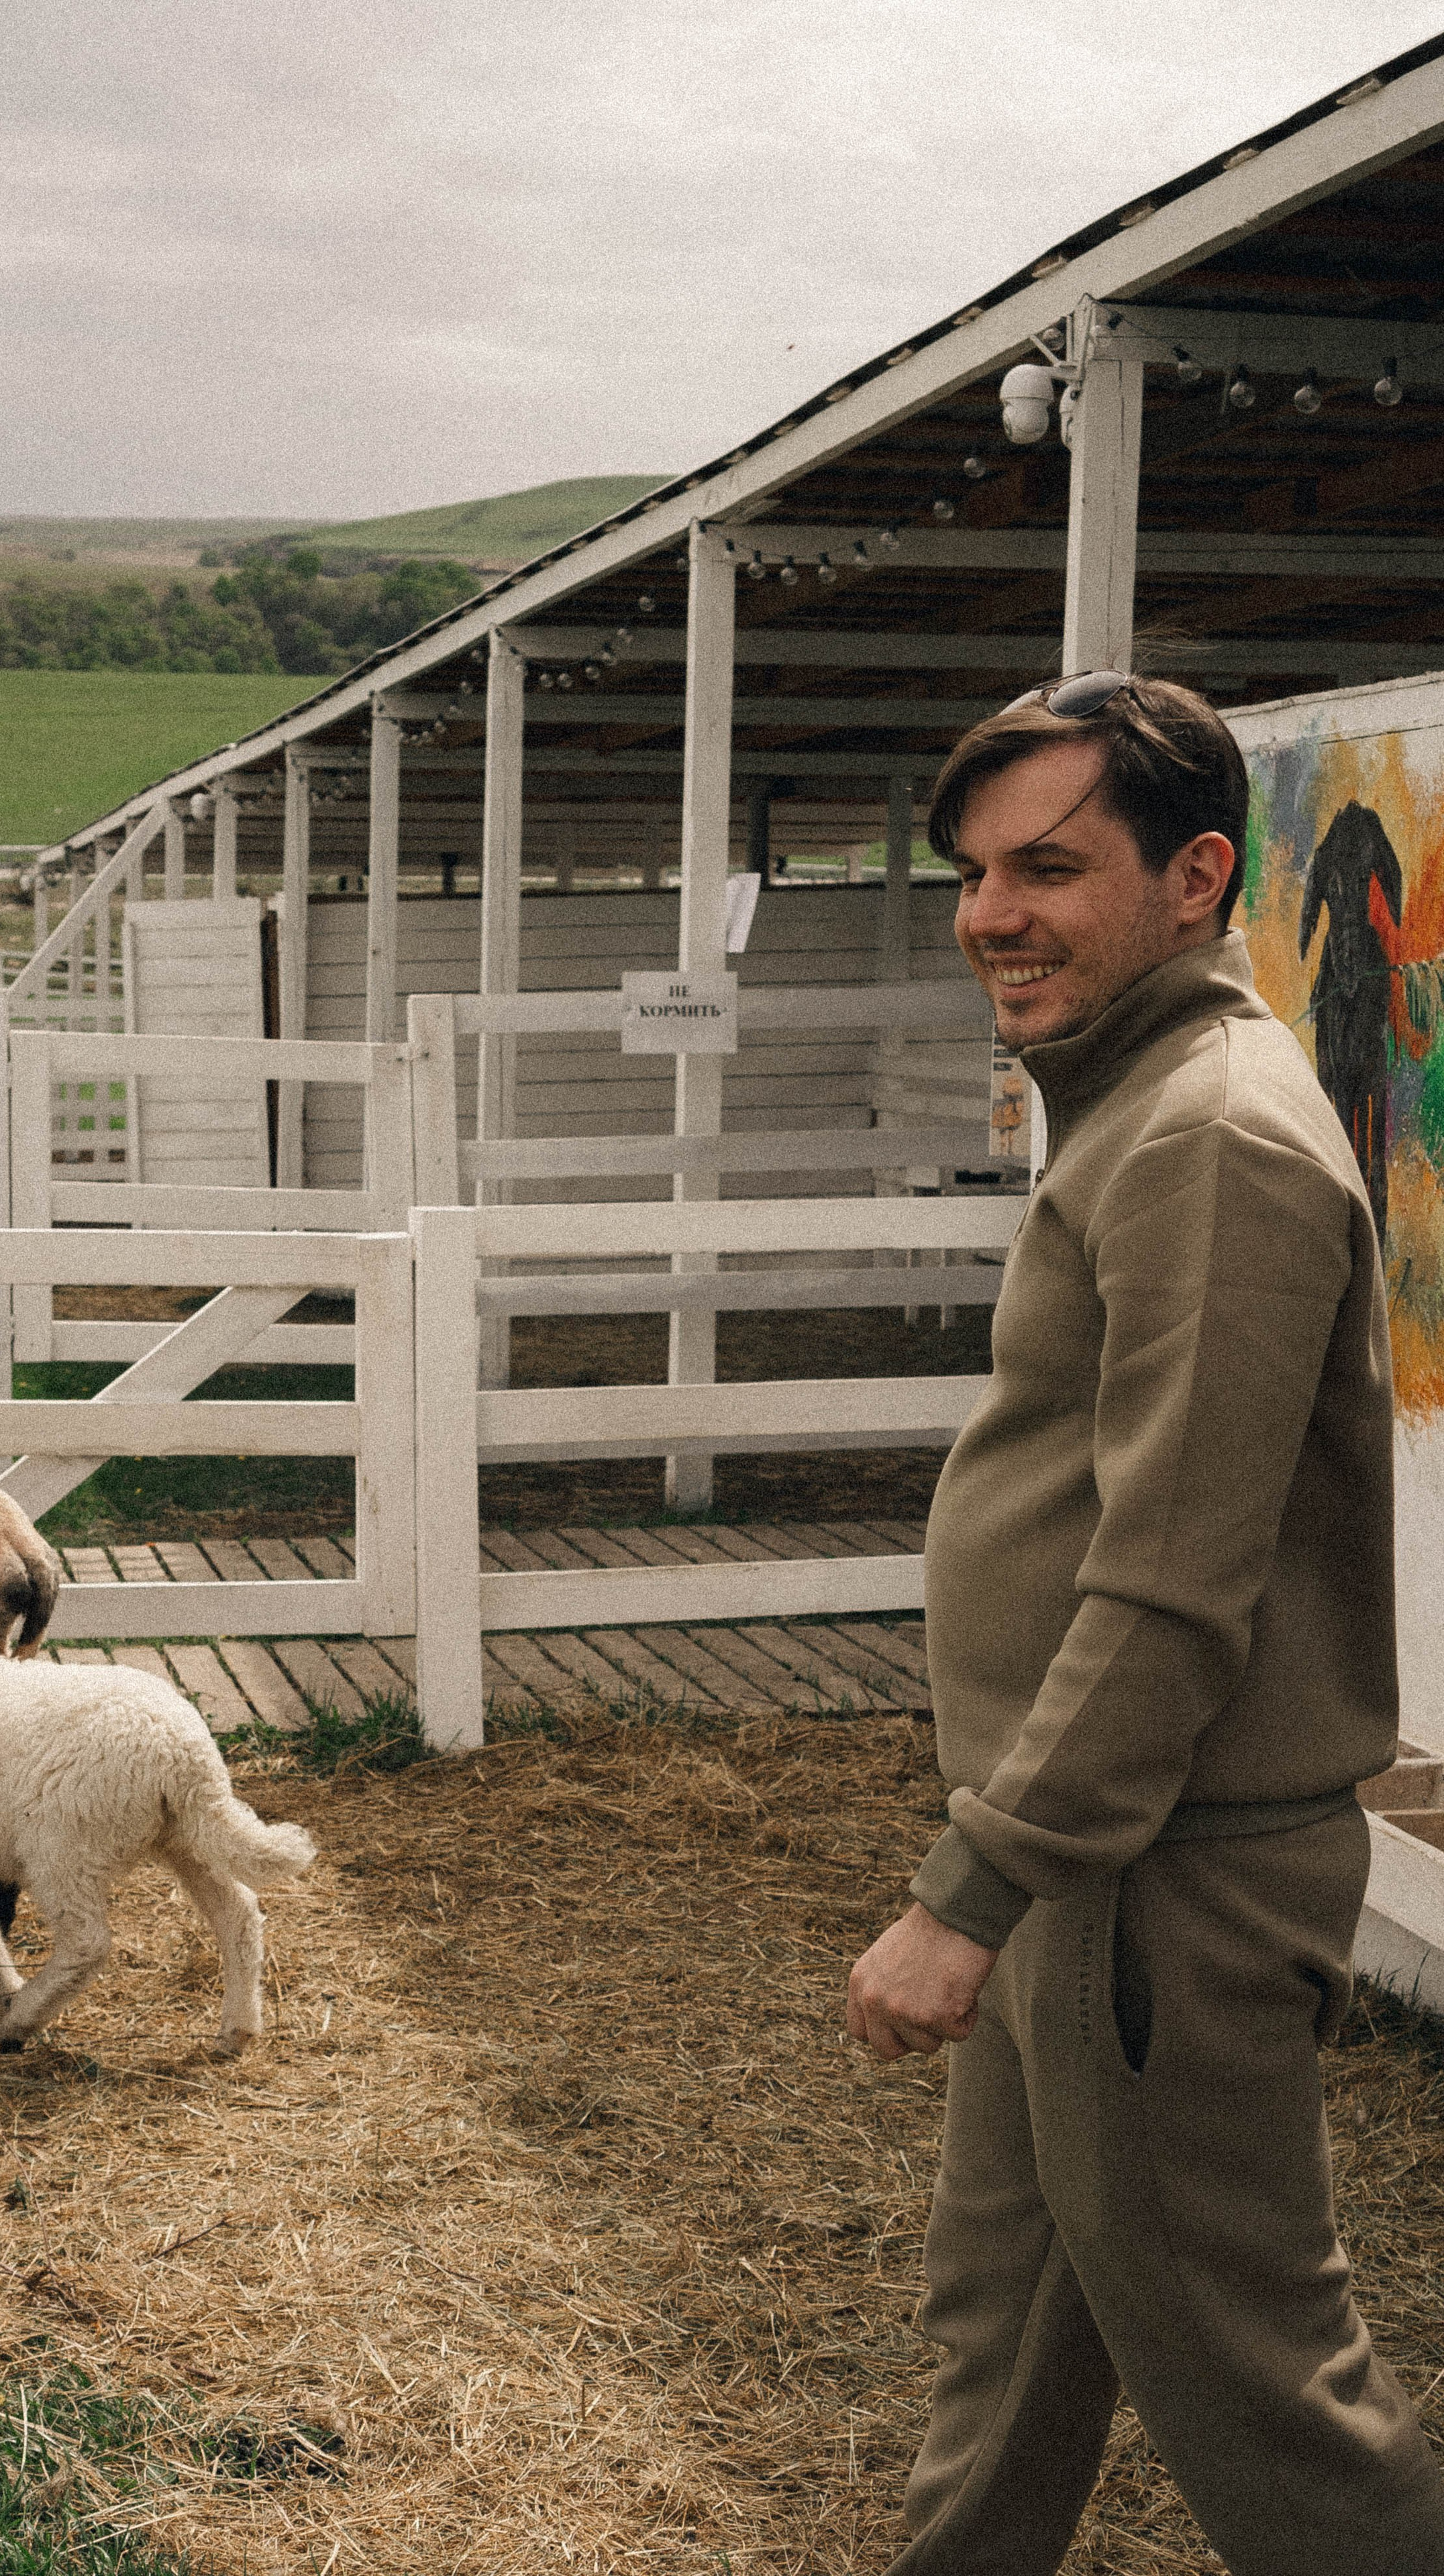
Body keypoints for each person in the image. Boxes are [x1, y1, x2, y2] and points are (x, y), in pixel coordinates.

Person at [847, 673, 1444, 2575]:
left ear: (1198, 876)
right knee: (1004, 2343)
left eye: (1051, 867)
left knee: (1275, 2406)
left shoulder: (1210, 1140)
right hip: (1098, 1869)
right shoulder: (1146, 1106)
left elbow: (1176, 1589)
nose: (992, 915)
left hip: (1157, 1882)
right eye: (973, 872)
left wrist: (971, 1889)